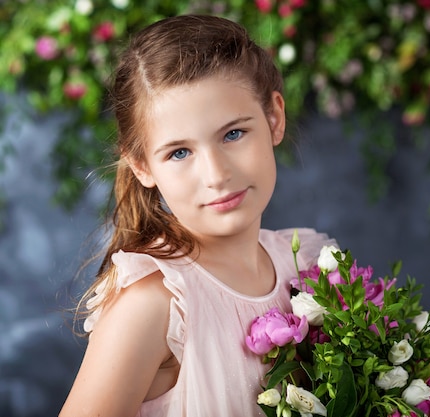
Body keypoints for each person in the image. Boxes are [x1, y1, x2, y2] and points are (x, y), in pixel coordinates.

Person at [59, 14, 337, 417]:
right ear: (142, 167)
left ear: (274, 118)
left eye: (233, 134)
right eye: (179, 153)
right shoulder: (156, 304)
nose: (217, 175)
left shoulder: (308, 264)